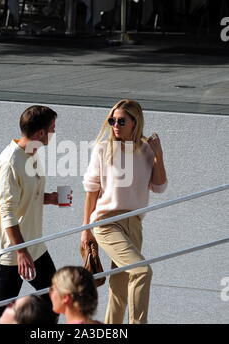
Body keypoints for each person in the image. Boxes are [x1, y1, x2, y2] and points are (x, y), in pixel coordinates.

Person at [81, 99, 167, 324]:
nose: (115, 125)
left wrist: (158, 155)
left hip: (134, 224)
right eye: (112, 120)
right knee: (142, 272)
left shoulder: (146, 149)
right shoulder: (103, 149)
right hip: (106, 222)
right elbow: (91, 191)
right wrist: (85, 231)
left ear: (134, 122)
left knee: (119, 290)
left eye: (121, 121)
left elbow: (159, 186)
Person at [0, 105, 59, 323]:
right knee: (0, 315)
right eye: (52, 128)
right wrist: (20, 251)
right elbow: (7, 211)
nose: (54, 133)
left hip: (34, 246)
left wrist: (49, 198)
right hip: (12, 253)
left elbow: (26, 196)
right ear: (40, 133)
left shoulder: (32, 154)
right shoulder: (11, 162)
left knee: (56, 298)